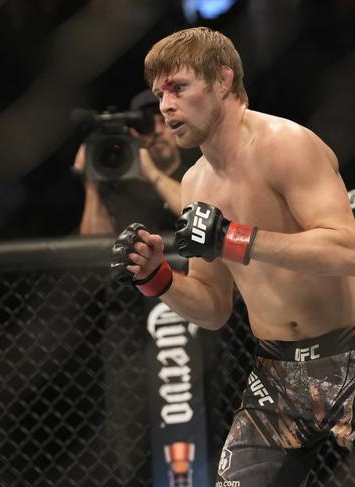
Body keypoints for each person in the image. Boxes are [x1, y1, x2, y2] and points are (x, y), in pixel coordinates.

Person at [110, 26, 355, 486]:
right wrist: (156, 277)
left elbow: (347, 249)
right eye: (159, 93)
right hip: (278, 375)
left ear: (223, 80)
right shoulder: (196, 184)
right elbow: (214, 306)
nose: (165, 105)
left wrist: (235, 239)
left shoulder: (285, 144)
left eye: (178, 87)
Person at [73, 89, 186, 235]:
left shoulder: (196, 174)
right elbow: (93, 248)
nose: (157, 131)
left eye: (164, 121)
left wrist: (153, 174)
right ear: (134, 134)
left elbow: (199, 215)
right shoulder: (118, 187)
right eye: (146, 125)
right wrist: (91, 186)